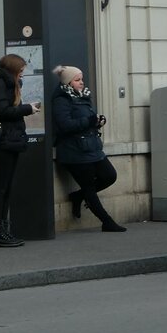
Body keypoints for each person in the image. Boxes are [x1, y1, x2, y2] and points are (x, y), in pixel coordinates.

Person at [50, 65, 125, 232]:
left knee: (109, 176)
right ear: (68, 83)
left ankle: (78, 196)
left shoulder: (83, 97)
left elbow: (87, 119)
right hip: (73, 150)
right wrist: (89, 121)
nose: (81, 82)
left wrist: (98, 121)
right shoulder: (61, 99)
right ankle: (106, 221)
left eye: (81, 79)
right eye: (77, 80)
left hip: (91, 147)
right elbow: (64, 125)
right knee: (89, 187)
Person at [0, 54, 41, 247]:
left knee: (6, 188)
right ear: (13, 70)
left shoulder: (8, 85)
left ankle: (3, 229)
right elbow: (3, 111)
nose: (22, 75)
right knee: (1, 188)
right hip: (3, 143)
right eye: (21, 71)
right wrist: (27, 109)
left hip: (12, 141)